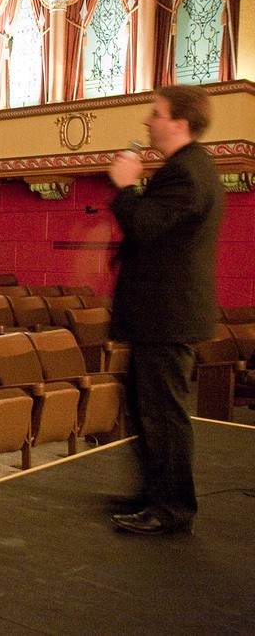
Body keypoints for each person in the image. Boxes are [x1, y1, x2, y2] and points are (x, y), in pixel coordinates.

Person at [106, 86, 224, 536]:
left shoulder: (187, 173)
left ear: (180, 123)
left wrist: (126, 186)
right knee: (144, 408)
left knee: (163, 414)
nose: (147, 122)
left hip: (167, 317)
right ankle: (155, 494)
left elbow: (143, 225)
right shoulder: (186, 169)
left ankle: (172, 507)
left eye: (155, 114)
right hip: (162, 316)